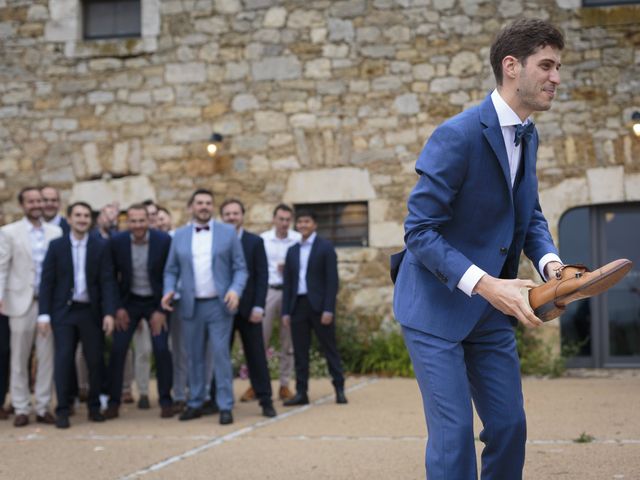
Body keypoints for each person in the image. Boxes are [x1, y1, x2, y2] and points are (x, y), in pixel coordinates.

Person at [392, 18, 565, 479]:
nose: (556, 78)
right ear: (512, 66)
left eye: (558, 67)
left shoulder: (530, 135)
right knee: (453, 440)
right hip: (432, 306)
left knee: (510, 427)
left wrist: (551, 263)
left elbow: (527, 214)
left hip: (489, 313)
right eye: (546, 65)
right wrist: (490, 286)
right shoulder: (457, 134)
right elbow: (419, 231)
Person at [162, 188, 247, 425]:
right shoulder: (178, 236)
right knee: (194, 356)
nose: (204, 207)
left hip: (219, 305)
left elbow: (240, 268)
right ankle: (195, 401)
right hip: (189, 305)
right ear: (191, 207)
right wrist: (168, 290)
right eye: (199, 203)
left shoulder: (227, 233)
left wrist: (234, 290)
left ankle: (225, 405)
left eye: (208, 203)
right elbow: (171, 270)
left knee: (220, 355)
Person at [38, 201, 116, 428]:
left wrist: (109, 312)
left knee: (94, 360)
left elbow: (107, 281)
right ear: (69, 219)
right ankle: (63, 408)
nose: (82, 219)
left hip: (91, 312)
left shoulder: (100, 246)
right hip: (64, 312)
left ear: (90, 220)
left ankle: (94, 407)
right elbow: (47, 282)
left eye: (85, 216)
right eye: (77, 215)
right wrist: (44, 314)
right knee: (63, 359)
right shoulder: (56, 246)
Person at [104, 204, 174, 419]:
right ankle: (113, 401)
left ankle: (165, 400)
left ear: (148, 221)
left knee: (161, 349)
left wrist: (161, 310)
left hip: (155, 303)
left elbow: (169, 275)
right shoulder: (116, 242)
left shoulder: (163, 241)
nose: (137, 225)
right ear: (128, 222)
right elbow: (109, 278)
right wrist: (117, 308)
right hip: (129, 303)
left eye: (141, 220)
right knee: (118, 349)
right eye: (133, 221)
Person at [0, 187, 62, 427]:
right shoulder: (9, 232)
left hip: (47, 304)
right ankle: (21, 407)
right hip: (19, 303)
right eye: (31, 201)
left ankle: (43, 405)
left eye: (39, 200)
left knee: (47, 357)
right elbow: (2, 266)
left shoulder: (55, 232)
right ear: (23, 205)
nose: (37, 205)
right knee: (19, 358)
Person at [211, 199, 276, 418]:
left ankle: (266, 400)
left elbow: (261, 276)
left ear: (242, 215)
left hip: (249, 310)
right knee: (219, 356)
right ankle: (215, 400)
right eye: (227, 214)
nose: (231, 217)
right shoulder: (214, 241)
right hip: (221, 310)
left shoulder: (254, 242)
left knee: (256, 356)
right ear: (222, 216)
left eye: (235, 213)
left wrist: (259, 306)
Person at [281, 210, 347, 406]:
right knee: (300, 352)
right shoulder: (292, 250)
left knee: (330, 350)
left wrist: (329, 309)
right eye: (300, 222)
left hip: (319, 307)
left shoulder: (325, 247)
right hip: (298, 306)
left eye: (306, 221)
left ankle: (339, 389)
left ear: (314, 224)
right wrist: (286, 310)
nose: (302, 225)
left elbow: (332, 281)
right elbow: (288, 283)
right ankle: (302, 392)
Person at [259, 204, 300, 402]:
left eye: (287, 220)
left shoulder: (298, 239)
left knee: (289, 342)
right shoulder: (263, 239)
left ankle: (284, 384)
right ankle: (257, 383)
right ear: (274, 219)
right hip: (269, 291)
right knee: (260, 340)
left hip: (290, 292)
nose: (284, 223)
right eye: (281, 219)